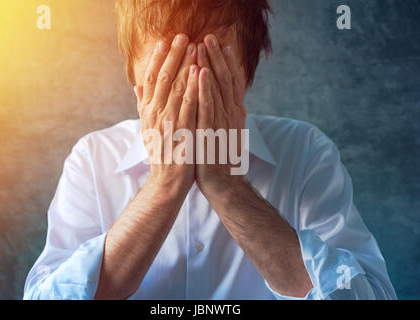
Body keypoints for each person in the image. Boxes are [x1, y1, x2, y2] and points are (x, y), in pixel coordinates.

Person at [24, 0, 397, 300]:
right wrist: (164, 186)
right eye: (168, 74)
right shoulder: (93, 158)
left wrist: (225, 184)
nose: (191, 93)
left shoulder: (306, 152)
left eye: (213, 74)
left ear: (245, 77)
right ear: (137, 84)